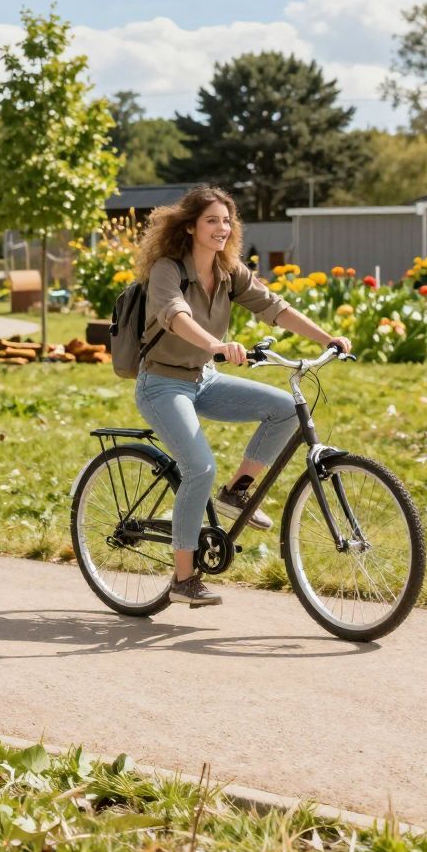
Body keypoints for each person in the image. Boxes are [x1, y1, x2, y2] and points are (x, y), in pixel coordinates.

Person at [133, 186, 349, 608]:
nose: (221, 227)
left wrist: (328, 338)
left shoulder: (229, 272)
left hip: (205, 379)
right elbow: (175, 316)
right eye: (212, 220)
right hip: (162, 383)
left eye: (227, 220)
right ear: (192, 226)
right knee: (199, 467)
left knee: (285, 409)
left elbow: (276, 308)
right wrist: (215, 343)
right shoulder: (167, 269)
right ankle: (183, 578)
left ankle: (236, 493)